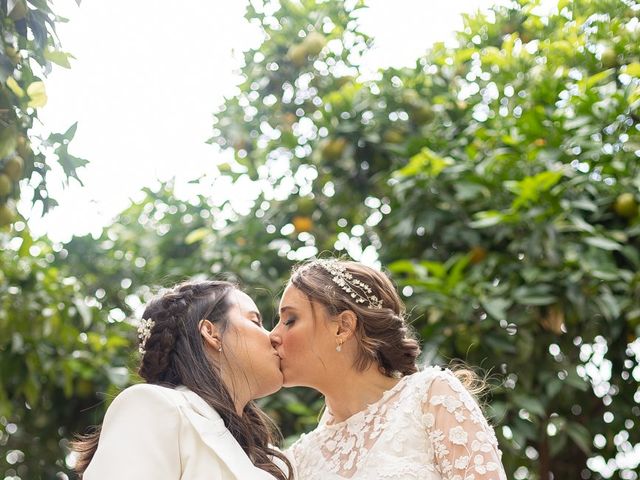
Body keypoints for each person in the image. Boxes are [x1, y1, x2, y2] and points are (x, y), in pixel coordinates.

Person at [269, 258, 507, 480]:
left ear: (342, 327)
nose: (273, 335)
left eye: (290, 320)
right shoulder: (297, 461)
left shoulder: (431, 397)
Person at [73, 280, 293, 480]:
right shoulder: (153, 405)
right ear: (211, 332)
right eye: (256, 321)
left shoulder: (268, 457)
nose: (273, 336)